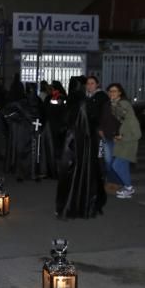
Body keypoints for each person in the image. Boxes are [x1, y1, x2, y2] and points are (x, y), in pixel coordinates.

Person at [55, 77, 106, 219]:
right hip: (80, 143)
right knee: (81, 173)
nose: (89, 86)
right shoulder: (81, 101)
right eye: (87, 84)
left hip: (83, 141)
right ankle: (82, 203)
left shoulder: (89, 100)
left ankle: (79, 204)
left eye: (92, 83)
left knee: (81, 173)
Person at [106, 83, 141, 199]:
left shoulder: (123, 105)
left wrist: (123, 136)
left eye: (114, 91)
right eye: (110, 91)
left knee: (117, 165)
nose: (112, 93)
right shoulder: (116, 105)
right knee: (123, 165)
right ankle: (127, 188)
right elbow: (121, 121)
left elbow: (137, 133)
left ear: (120, 92)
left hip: (129, 142)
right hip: (123, 141)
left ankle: (129, 188)